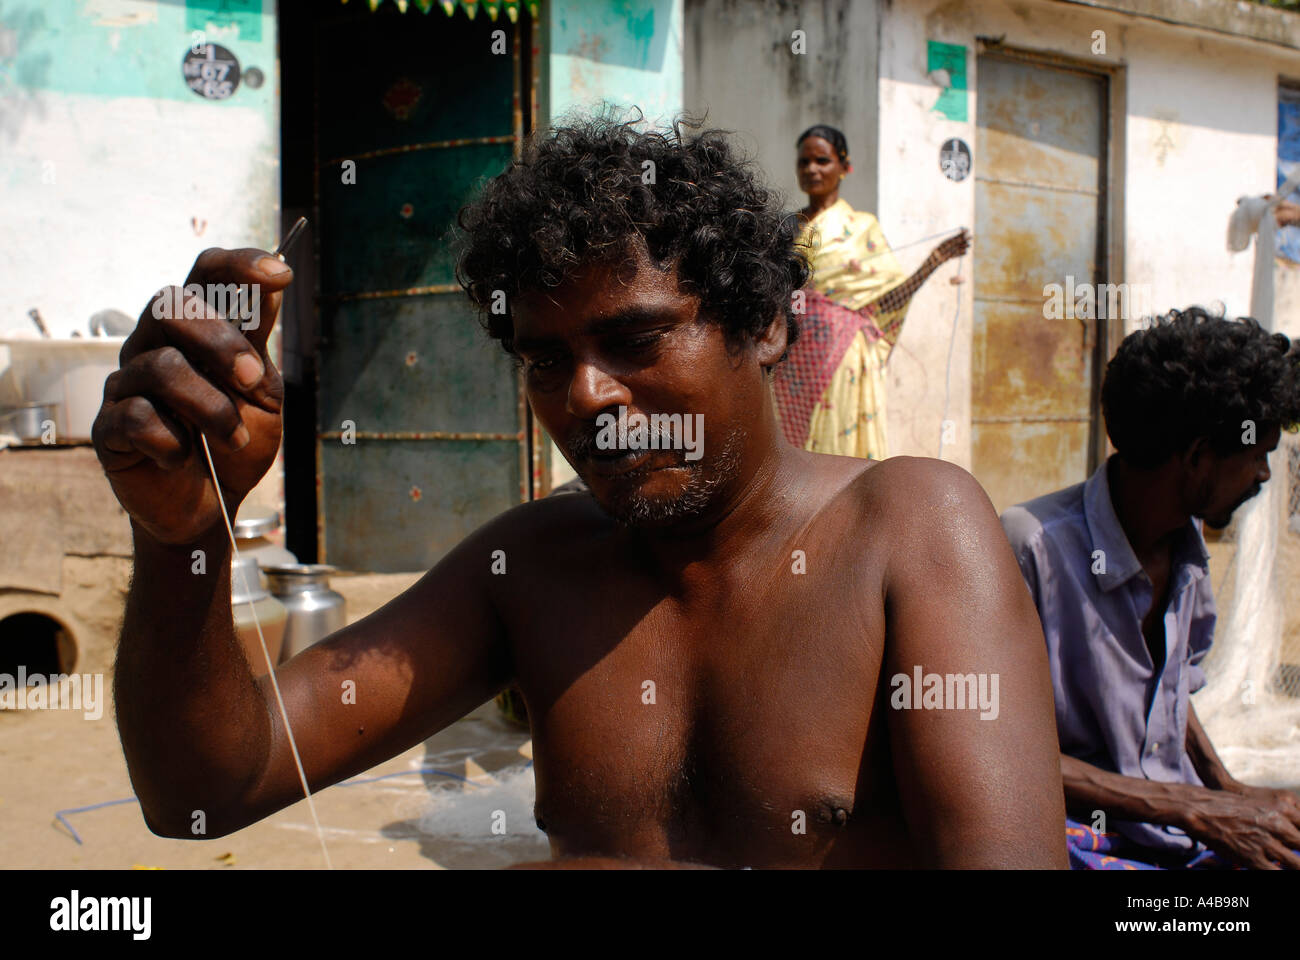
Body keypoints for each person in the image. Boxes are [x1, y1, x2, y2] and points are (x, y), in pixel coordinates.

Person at [95, 115, 1066, 869]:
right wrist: (182, 534)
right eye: (545, 359)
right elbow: (209, 790)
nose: (587, 395)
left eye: (635, 341)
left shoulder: (910, 531)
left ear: (767, 328)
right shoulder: (528, 571)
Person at [1000, 307, 1300, 870]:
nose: (1263, 475)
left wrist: (1228, 790)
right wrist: (1193, 808)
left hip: (1170, 831)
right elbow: (996, 742)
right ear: (1195, 458)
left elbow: (1166, 694)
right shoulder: (1032, 547)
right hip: (1070, 838)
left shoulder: (1183, 550)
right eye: (1257, 457)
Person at [771, 124, 969, 460]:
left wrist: (933, 261)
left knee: (836, 455)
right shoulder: (786, 228)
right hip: (791, 359)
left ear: (844, 167)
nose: (812, 169)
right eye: (804, 162)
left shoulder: (861, 228)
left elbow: (887, 302)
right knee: (791, 456)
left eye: (822, 160)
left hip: (842, 355)